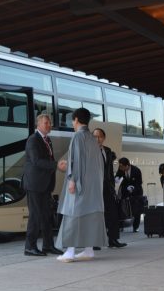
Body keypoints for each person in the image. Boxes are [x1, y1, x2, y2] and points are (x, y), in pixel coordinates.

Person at [56, 108, 107, 262]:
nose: (72, 123)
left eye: (72, 120)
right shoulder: (93, 138)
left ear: (76, 120)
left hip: (80, 184)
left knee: (72, 214)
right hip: (93, 185)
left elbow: (76, 161)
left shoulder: (78, 136)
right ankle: (88, 250)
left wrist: (72, 179)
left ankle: (70, 252)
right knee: (89, 216)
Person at [23, 114, 67, 257]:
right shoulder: (33, 140)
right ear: (38, 124)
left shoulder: (47, 140)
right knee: (35, 216)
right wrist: (56, 165)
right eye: (46, 123)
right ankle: (29, 247)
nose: (49, 125)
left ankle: (48, 245)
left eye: (50, 123)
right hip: (35, 185)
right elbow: (36, 161)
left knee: (47, 216)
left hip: (45, 184)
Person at [92, 128, 127, 248]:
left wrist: (113, 186)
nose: (97, 139)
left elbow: (109, 171)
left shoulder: (107, 151)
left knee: (112, 214)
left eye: (100, 136)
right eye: (95, 136)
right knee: (96, 216)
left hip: (108, 187)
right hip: (94, 188)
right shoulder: (89, 151)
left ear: (103, 138)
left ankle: (113, 239)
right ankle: (95, 242)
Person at [116, 157, 144, 232]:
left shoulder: (136, 170)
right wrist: (117, 179)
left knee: (137, 210)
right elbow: (118, 177)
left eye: (122, 166)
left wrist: (133, 188)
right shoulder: (121, 169)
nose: (120, 167)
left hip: (136, 192)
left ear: (127, 165)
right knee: (122, 207)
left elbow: (139, 182)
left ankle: (135, 227)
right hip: (125, 191)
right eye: (120, 166)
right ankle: (120, 225)